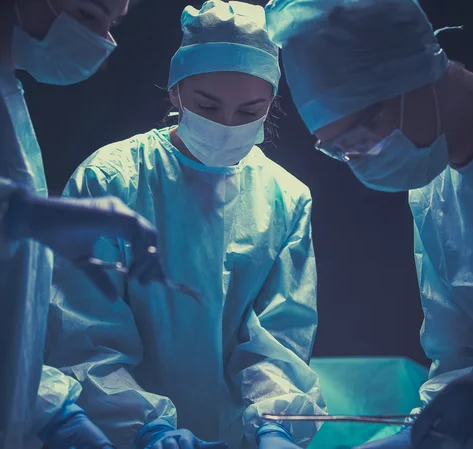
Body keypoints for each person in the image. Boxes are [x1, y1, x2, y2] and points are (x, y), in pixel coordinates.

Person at [45, 1, 327, 449]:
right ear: (176, 91)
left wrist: (276, 418)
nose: (226, 125)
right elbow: (84, 334)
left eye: (249, 111)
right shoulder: (112, 179)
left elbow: (277, 337)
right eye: (207, 105)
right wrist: (146, 427)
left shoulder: (285, 197)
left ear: (272, 103)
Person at [265, 0, 473, 447]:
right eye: (340, 151)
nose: (359, 160)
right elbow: (464, 356)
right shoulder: (433, 195)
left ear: (412, 75)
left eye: (362, 137)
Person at [0, 0, 166, 448]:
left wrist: (50, 409)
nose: (103, 40)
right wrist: (20, 213)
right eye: (87, 14)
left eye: (112, 23)